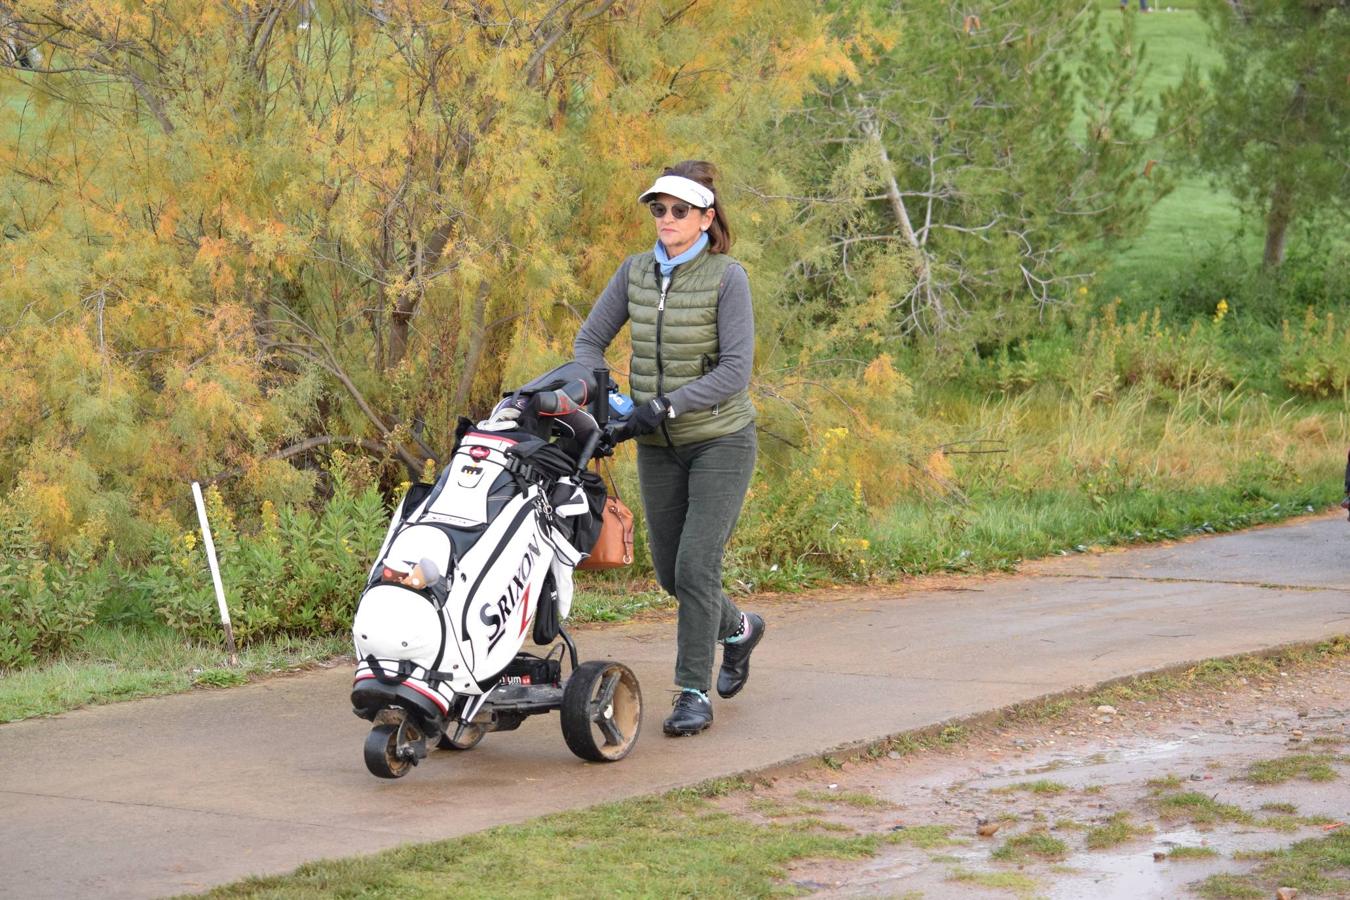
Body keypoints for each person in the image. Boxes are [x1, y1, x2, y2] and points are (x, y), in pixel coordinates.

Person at [574, 160, 765, 737]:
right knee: (670, 575)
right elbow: (589, 341)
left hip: (721, 441)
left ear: (706, 218)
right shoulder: (634, 273)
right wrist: (606, 399)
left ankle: (691, 693)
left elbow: (735, 370)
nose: (667, 219)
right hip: (657, 445)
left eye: (680, 211)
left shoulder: (728, 277)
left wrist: (669, 403)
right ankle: (738, 631)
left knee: (696, 564)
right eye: (659, 209)